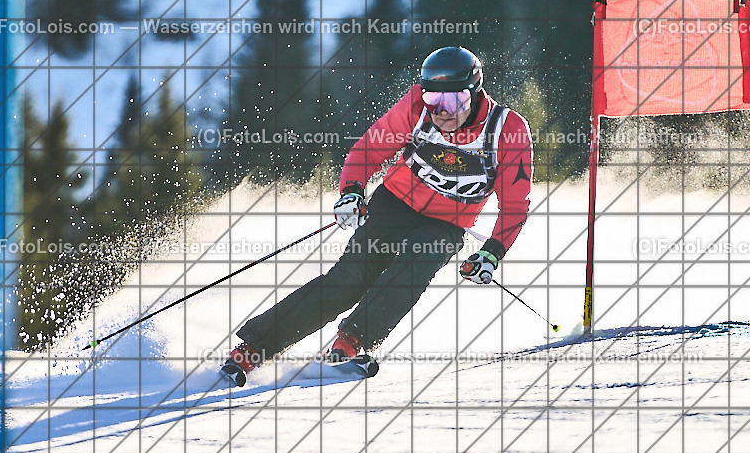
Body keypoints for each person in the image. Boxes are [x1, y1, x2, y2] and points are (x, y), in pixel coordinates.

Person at [220, 46, 533, 386]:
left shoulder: (508, 130)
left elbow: (515, 204)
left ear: (475, 93)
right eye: (433, 99)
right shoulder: (416, 109)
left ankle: (351, 343)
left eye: (454, 102)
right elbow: (368, 150)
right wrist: (352, 191)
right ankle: (253, 348)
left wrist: (492, 251)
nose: (441, 112)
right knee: (348, 279)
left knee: (413, 267)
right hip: (395, 202)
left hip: (447, 224)